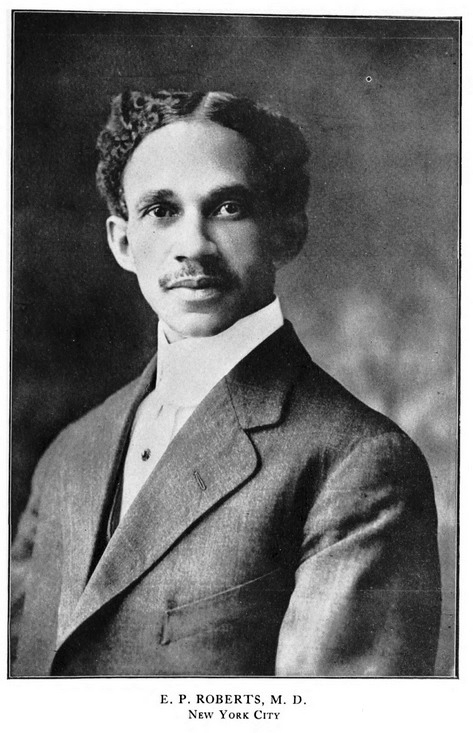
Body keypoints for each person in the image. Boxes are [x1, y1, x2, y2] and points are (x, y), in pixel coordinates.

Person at [10, 89, 441, 677]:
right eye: (161, 210)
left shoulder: (359, 463)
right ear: (123, 242)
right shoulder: (69, 455)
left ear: (287, 233)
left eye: (228, 208)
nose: (192, 245)